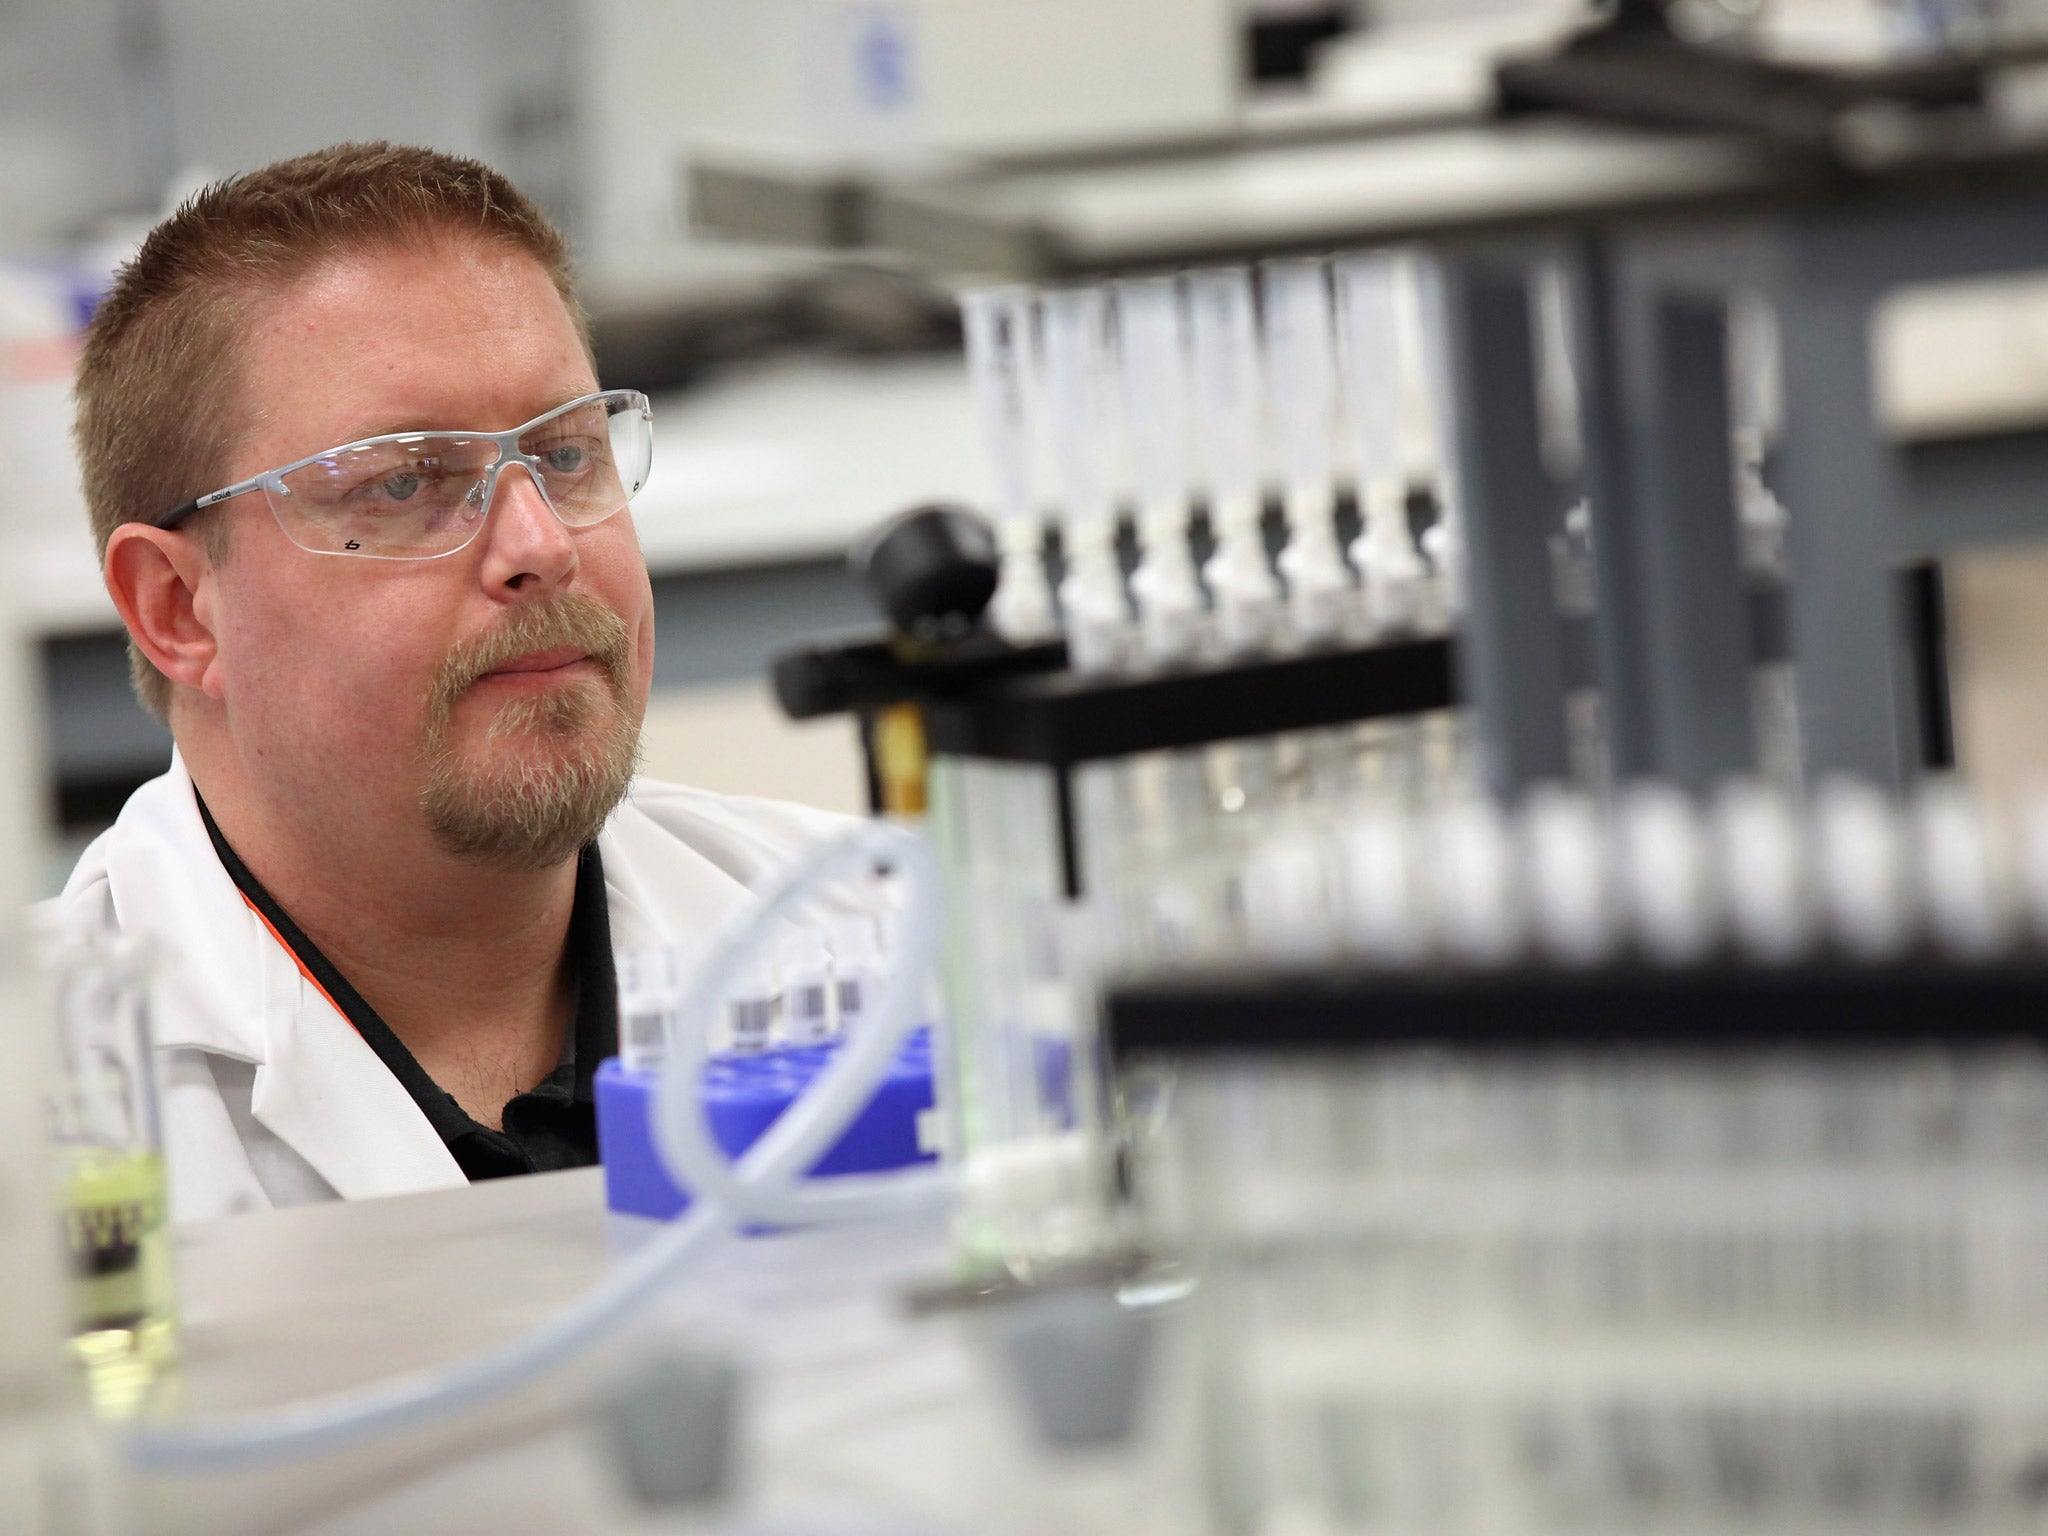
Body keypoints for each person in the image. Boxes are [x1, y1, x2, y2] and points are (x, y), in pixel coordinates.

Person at [50, 142, 844, 1222]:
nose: (540, 544)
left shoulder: (866, 941)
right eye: (407, 481)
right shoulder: (44, 1105)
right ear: (178, 610)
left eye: (566, 455)